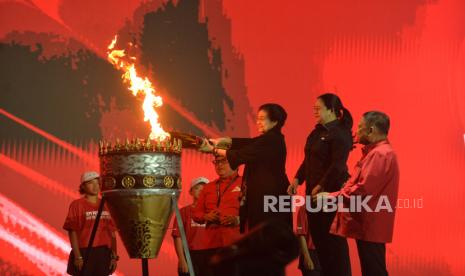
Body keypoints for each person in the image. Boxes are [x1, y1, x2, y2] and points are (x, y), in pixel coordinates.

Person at [318, 111, 400, 276]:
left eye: (360, 128)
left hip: (370, 224)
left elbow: (363, 190)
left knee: (373, 270)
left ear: (371, 131)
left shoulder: (380, 154)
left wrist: (331, 197)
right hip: (369, 223)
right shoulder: (378, 153)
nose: (356, 132)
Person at [287, 93, 353, 276]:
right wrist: (297, 179)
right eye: (314, 108)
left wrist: (322, 185)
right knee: (320, 242)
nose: (314, 111)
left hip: (329, 196)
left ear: (331, 110)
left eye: (318, 108)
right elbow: (308, 159)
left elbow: (338, 166)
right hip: (312, 197)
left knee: (334, 243)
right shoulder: (316, 132)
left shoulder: (341, 133)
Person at [203, 103, 292, 233]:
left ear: (275, 121)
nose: (258, 122)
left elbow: (242, 154)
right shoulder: (269, 139)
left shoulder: (272, 140)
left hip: (272, 197)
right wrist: (222, 142)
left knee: (269, 235)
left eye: (262, 119)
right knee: (262, 234)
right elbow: (247, 143)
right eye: (258, 118)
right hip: (267, 196)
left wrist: (214, 150)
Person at [191, 155, 242, 276]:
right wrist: (205, 216)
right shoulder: (208, 187)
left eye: (223, 162)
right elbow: (196, 213)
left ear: (236, 164)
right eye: (216, 162)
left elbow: (256, 212)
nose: (219, 165)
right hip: (211, 244)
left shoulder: (246, 183)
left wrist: (239, 220)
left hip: (236, 243)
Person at [63, 171, 118, 276]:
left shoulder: (107, 205)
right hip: (85, 252)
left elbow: (112, 233)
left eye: (97, 183)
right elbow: (72, 232)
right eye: (90, 183)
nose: (95, 186)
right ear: (83, 186)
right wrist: (77, 256)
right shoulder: (77, 205)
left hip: (104, 253)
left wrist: (114, 257)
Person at [172, 176, 210, 276]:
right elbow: (177, 236)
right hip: (189, 255)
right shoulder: (183, 212)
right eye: (197, 188)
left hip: (209, 255)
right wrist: (181, 259)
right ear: (191, 192)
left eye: (204, 189)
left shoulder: (213, 212)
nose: (201, 191)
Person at [296, 206, 321, 276]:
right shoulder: (303, 209)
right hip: (311, 253)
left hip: (326, 253)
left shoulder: (329, 208)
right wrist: (307, 257)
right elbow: (301, 234)